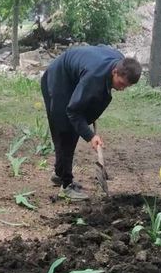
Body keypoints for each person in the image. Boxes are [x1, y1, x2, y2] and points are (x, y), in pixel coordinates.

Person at [41, 45, 142, 200]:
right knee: (66, 130)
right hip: (59, 78)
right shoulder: (94, 77)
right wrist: (90, 136)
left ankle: (59, 173)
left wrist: (91, 110)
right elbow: (73, 111)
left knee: (73, 126)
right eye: (121, 84)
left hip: (76, 77)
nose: (122, 89)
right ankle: (66, 185)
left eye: (126, 86)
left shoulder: (119, 62)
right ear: (115, 71)